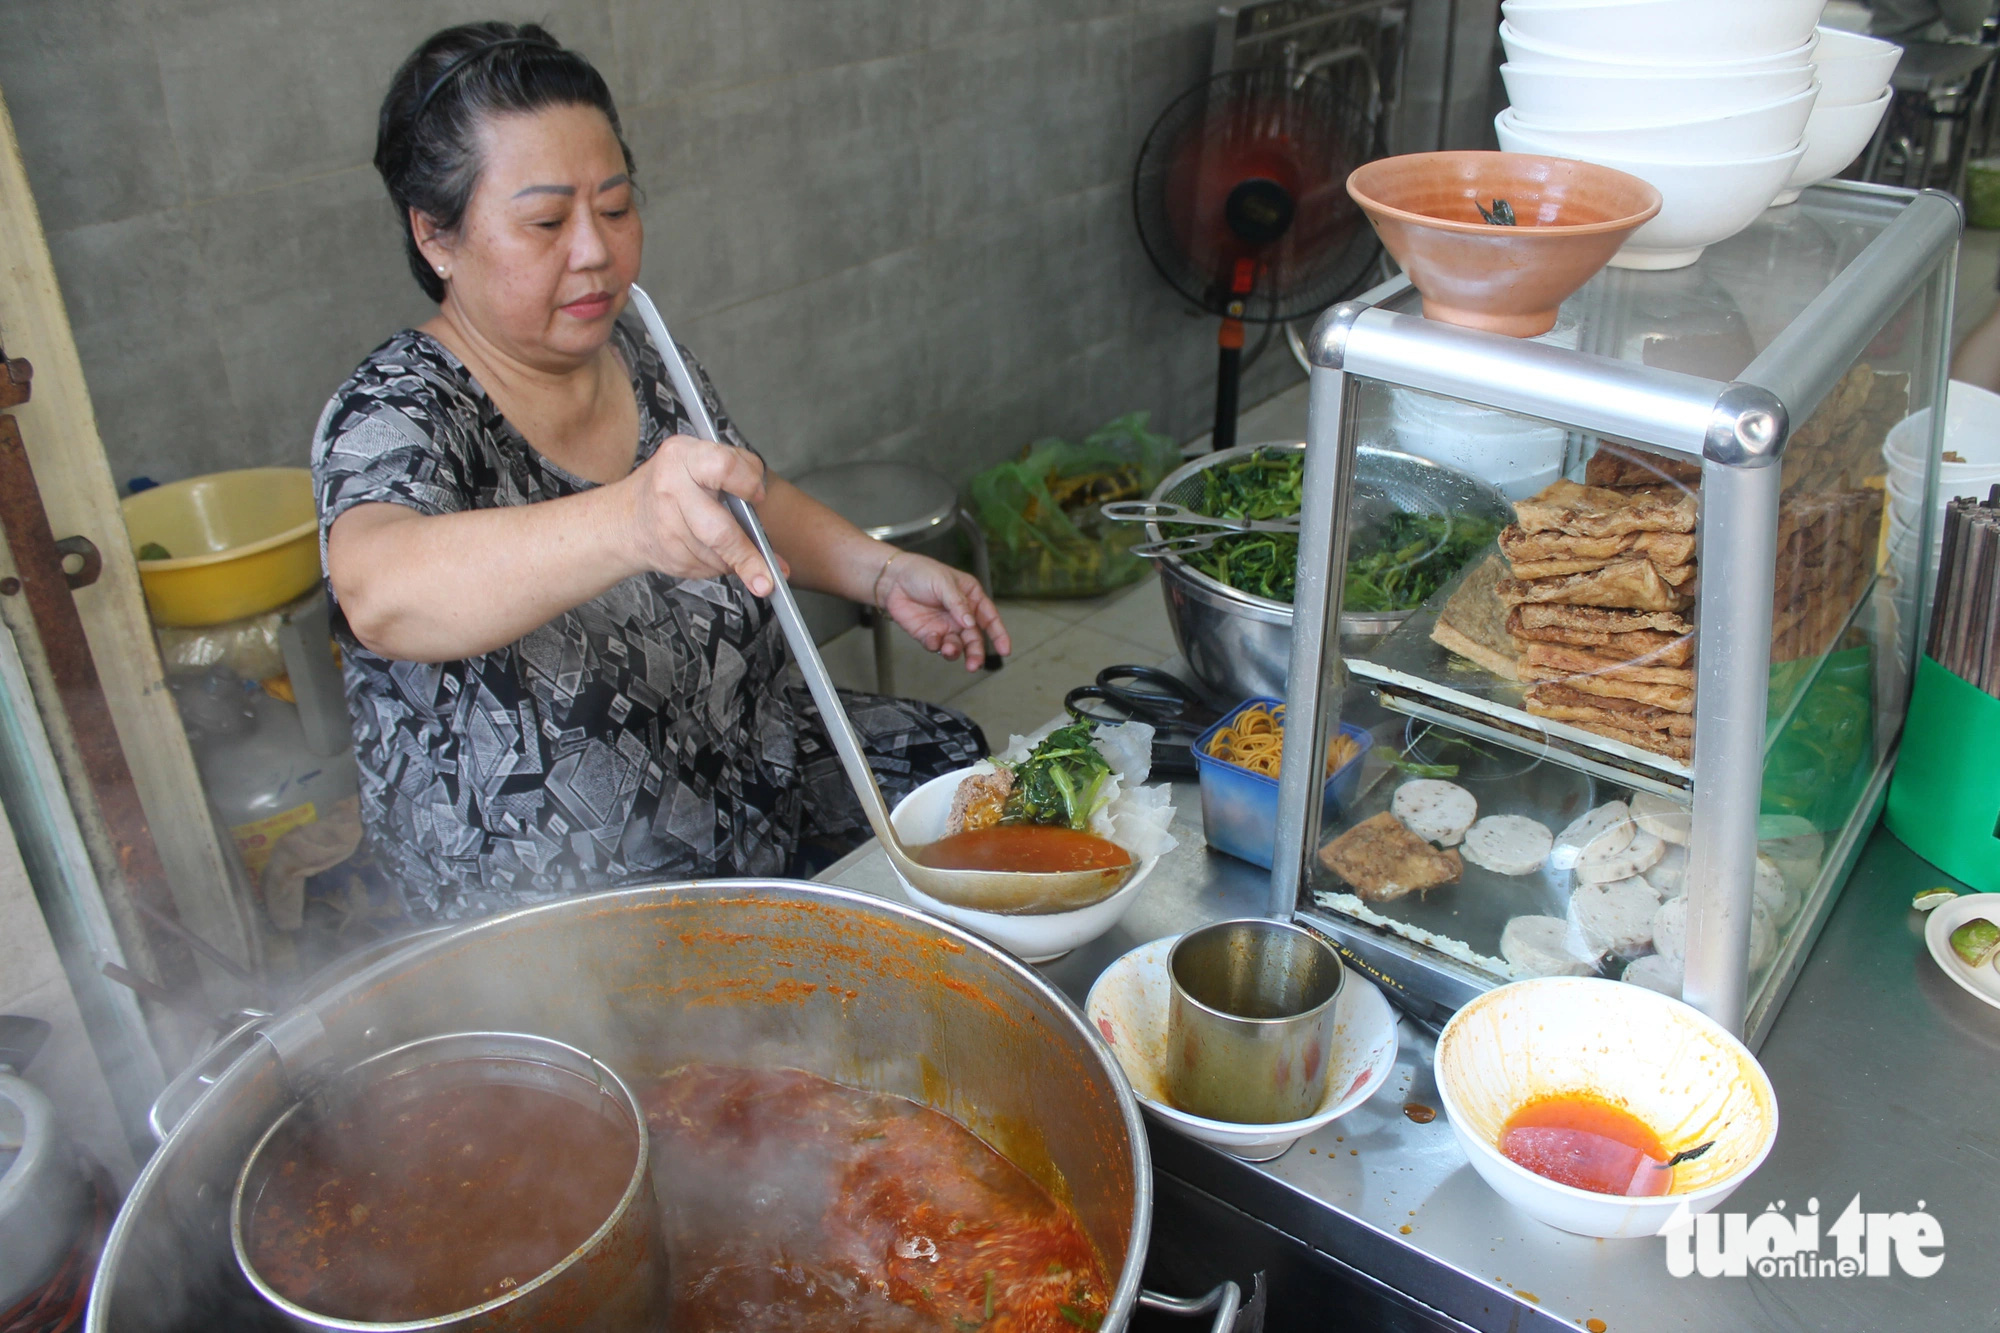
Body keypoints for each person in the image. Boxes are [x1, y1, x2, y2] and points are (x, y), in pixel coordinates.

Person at [313, 22, 1010, 920]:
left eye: (613, 207)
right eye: (545, 221)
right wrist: (627, 519)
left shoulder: (634, 348)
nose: (595, 250)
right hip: (565, 903)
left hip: (747, 775)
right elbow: (379, 589)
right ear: (436, 235)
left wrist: (881, 572)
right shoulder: (398, 407)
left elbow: (742, 493)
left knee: (960, 773)